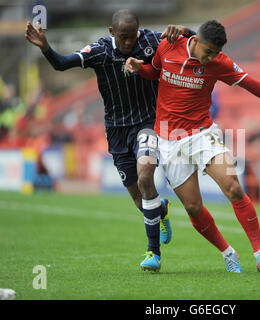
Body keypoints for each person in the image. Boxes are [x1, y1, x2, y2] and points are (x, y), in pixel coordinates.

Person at [125, 20, 260, 273]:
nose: (209, 58)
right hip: (169, 141)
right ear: (195, 41)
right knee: (194, 207)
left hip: (202, 134)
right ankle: (228, 252)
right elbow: (154, 71)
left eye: (214, 53)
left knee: (233, 188)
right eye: (207, 52)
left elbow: (255, 86)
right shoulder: (168, 45)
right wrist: (139, 68)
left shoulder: (219, 62)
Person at [25, 9, 195, 271]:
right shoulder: (100, 51)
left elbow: (194, 44)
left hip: (148, 123)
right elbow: (61, 64)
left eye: (133, 36)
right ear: (111, 32)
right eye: (124, 37)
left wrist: (185, 30)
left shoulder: (150, 41)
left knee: (146, 175)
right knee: (142, 202)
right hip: (116, 131)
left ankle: (154, 253)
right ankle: (160, 209)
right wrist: (46, 47)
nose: (129, 43)